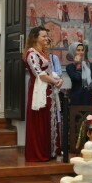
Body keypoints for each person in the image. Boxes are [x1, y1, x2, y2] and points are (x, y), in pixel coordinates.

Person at [24, 26, 63, 162]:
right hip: (40, 92)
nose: (47, 38)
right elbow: (39, 73)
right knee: (39, 122)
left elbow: (49, 72)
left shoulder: (43, 53)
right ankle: (39, 153)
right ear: (35, 38)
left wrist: (58, 80)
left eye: (47, 36)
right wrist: (54, 81)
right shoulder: (31, 53)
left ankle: (50, 151)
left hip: (49, 92)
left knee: (48, 121)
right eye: (44, 36)